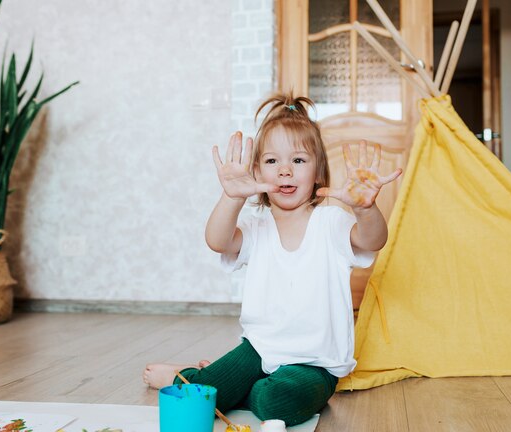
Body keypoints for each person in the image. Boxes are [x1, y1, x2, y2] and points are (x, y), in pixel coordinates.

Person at [143, 93, 402, 426]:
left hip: (314, 365)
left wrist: (365, 208)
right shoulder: (255, 228)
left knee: (276, 401)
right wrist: (231, 197)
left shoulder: (332, 222)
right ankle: (192, 376)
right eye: (271, 162)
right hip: (257, 351)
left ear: (318, 170)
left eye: (298, 161)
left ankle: (231, 385)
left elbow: (372, 239)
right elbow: (217, 241)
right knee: (196, 394)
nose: (284, 171)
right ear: (256, 173)